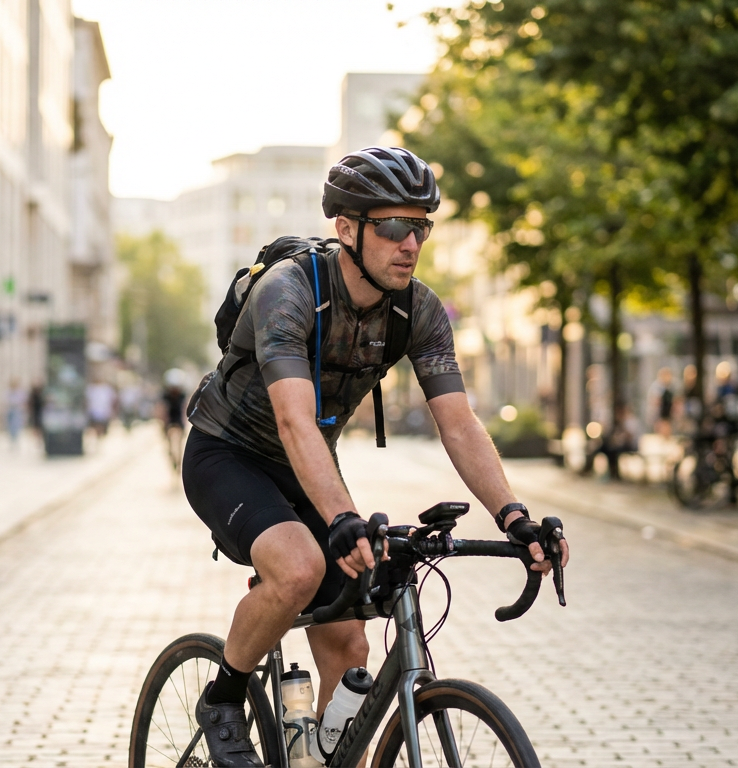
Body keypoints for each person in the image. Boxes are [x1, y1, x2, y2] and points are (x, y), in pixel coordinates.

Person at [180, 147, 568, 766]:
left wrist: (514, 517)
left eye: (420, 227)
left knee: (351, 638)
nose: (409, 243)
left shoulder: (418, 309)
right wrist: (340, 519)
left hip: (307, 464)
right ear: (346, 229)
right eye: (392, 226)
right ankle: (224, 698)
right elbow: (293, 419)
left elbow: (460, 424)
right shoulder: (288, 293)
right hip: (228, 454)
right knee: (301, 567)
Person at [160, 368, 188, 472]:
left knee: (180, 442)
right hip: (169, 418)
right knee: (169, 443)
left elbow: (184, 408)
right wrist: (164, 424)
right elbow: (162, 410)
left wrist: (184, 423)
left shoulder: (182, 394)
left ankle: (179, 460)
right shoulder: (165, 395)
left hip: (178, 418)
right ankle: (172, 458)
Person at [647, 367, 675, 438]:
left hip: (667, 413)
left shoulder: (670, 387)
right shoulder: (657, 387)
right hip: (659, 414)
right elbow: (655, 402)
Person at [4, 376, 27, 449]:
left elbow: (23, 402)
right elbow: (5, 402)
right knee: (10, 427)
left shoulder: (20, 393)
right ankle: (12, 441)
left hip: (17, 411)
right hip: (10, 411)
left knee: (16, 427)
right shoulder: (8, 392)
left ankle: (16, 441)